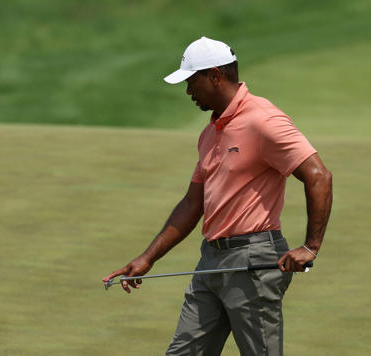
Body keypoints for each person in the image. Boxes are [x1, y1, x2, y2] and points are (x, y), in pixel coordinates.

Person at [102, 36, 332, 356]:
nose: (187, 92)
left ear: (214, 76)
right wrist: (147, 258)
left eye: (191, 82)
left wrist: (311, 246)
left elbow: (318, 175)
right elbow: (192, 203)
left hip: (253, 259)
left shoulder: (262, 119)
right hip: (211, 261)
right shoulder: (211, 132)